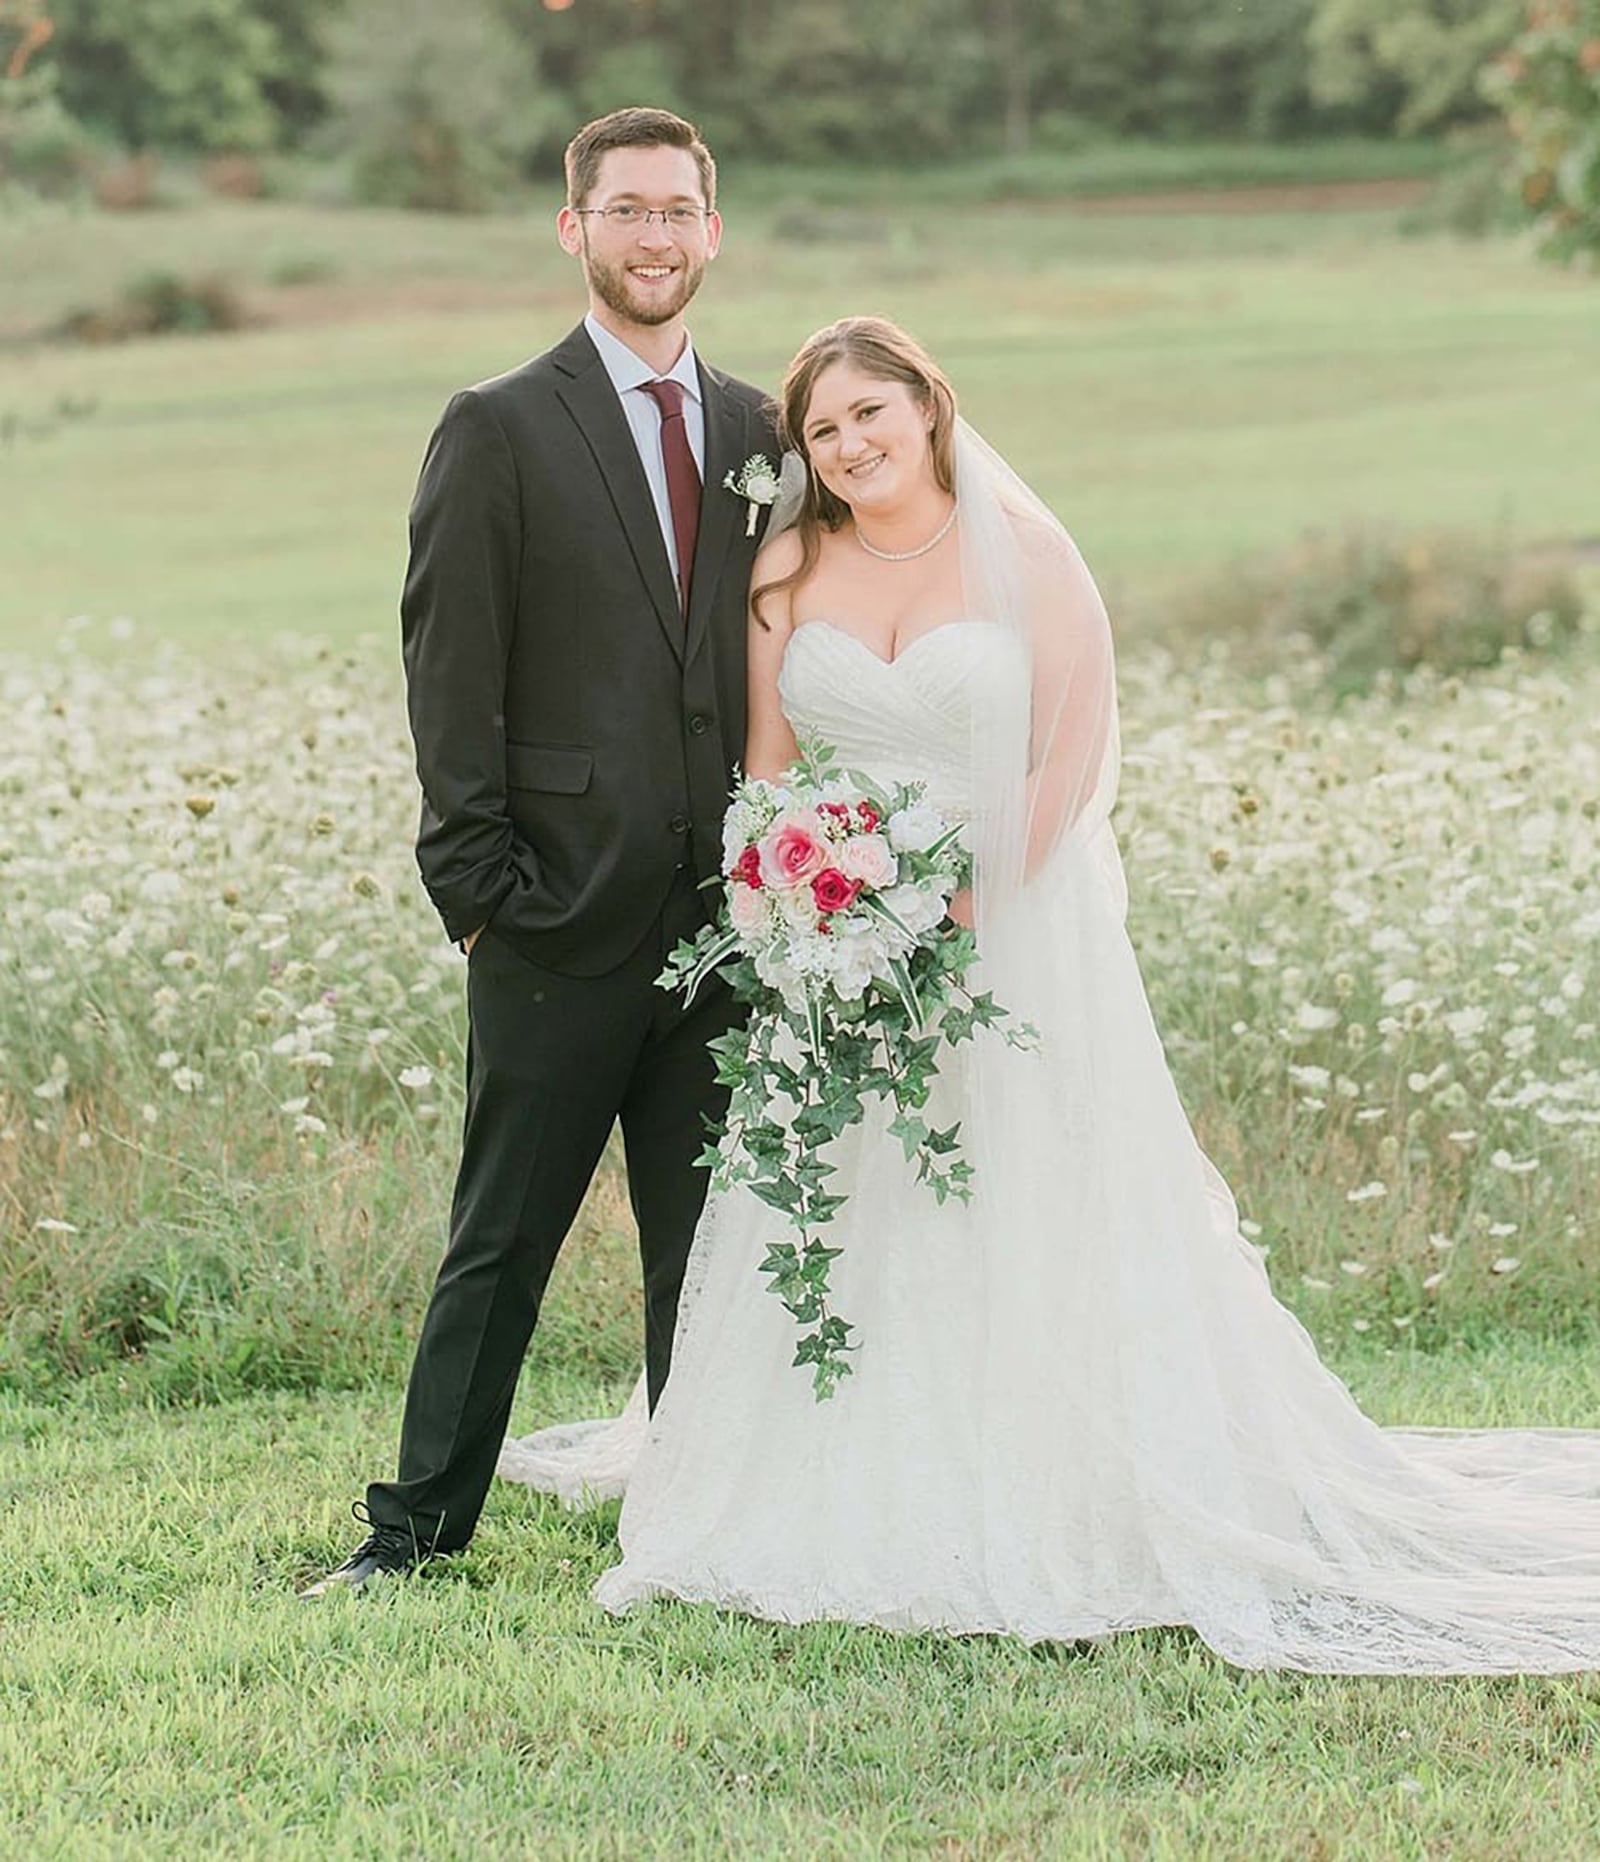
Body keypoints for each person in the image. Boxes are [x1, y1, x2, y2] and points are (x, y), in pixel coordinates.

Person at [501, 316, 1600, 1674]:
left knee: (1026, 1184)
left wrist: (953, 913)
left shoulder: (1028, 555)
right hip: (838, 937)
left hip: (1014, 927)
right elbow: (770, 766)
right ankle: (832, 1473)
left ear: (926, 405)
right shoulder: (787, 569)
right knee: (852, 1194)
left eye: (868, 413)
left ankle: (1061, 1474)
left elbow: (1067, 760)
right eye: (823, 431)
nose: (848, 445)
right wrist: (802, 900)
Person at [300, 108, 778, 1597]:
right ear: (574, 229)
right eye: (625, 209)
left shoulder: (766, 431)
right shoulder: (498, 424)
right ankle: (413, 1531)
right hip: (553, 914)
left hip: (733, 923)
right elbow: (450, 665)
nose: (654, 236)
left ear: (713, 230)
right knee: (501, 1237)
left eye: (677, 210)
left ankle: (695, 1527)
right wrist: (476, 894)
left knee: (707, 1250)